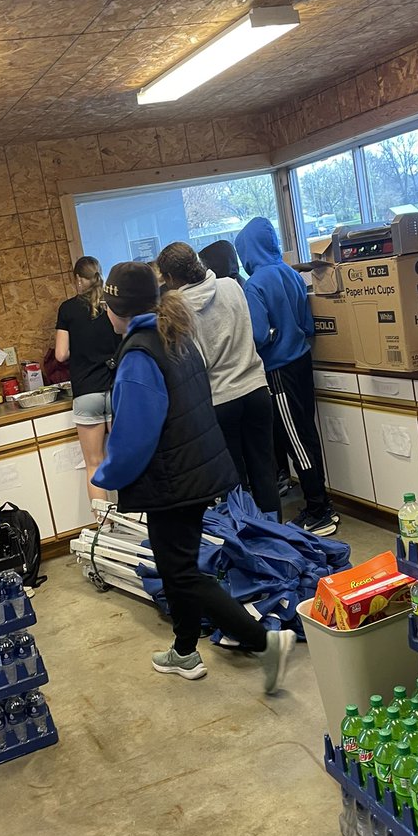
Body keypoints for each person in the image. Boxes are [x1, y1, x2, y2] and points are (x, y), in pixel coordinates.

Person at [92, 262, 296, 691]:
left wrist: (106, 475)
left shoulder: (139, 354)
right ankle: (184, 650)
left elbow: (134, 435)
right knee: (176, 566)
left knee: (181, 573)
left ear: (117, 309)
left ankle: (265, 643)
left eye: (106, 306)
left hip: (172, 480)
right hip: (196, 468)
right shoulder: (175, 334)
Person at [156, 242, 279, 517]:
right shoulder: (232, 286)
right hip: (256, 389)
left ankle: (246, 537)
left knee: (233, 482)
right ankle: (276, 534)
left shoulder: (179, 308)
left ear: (171, 278)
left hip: (220, 400)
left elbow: (193, 364)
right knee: (264, 470)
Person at [234, 217, 338, 537]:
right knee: (306, 433)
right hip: (303, 362)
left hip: (278, 369)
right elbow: (308, 326)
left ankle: (319, 511)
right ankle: (321, 504)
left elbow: (257, 335)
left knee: (297, 442)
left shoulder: (255, 285)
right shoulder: (291, 274)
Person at [54, 257, 118, 503]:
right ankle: (135, 519)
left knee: (94, 464)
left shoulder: (68, 309)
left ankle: (104, 523)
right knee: (123, 458)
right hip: (115, 389)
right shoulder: (112, 305)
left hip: (87, 391)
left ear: (79, 280)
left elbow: (61, 354)